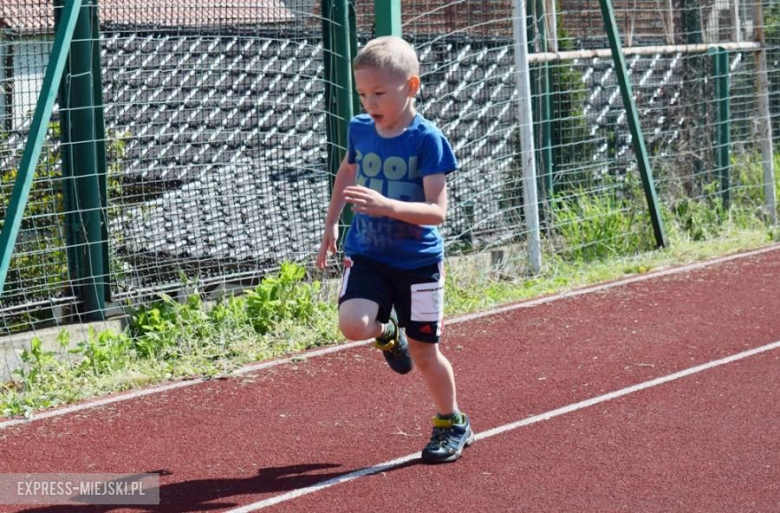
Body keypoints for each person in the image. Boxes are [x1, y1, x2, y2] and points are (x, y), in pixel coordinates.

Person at [316, 36, 474, 464]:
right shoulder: (359, 128)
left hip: (418, 263)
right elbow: (346, 171)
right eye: (363, 93)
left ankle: (451, 422)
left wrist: (388, 206)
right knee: (353, 323)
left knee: (425, 353)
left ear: (412, 86)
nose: (370, 102)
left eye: (380, 93)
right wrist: (331, 224)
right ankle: (388, 335)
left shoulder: (428, 140)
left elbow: (437, 212)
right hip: (367, 252)